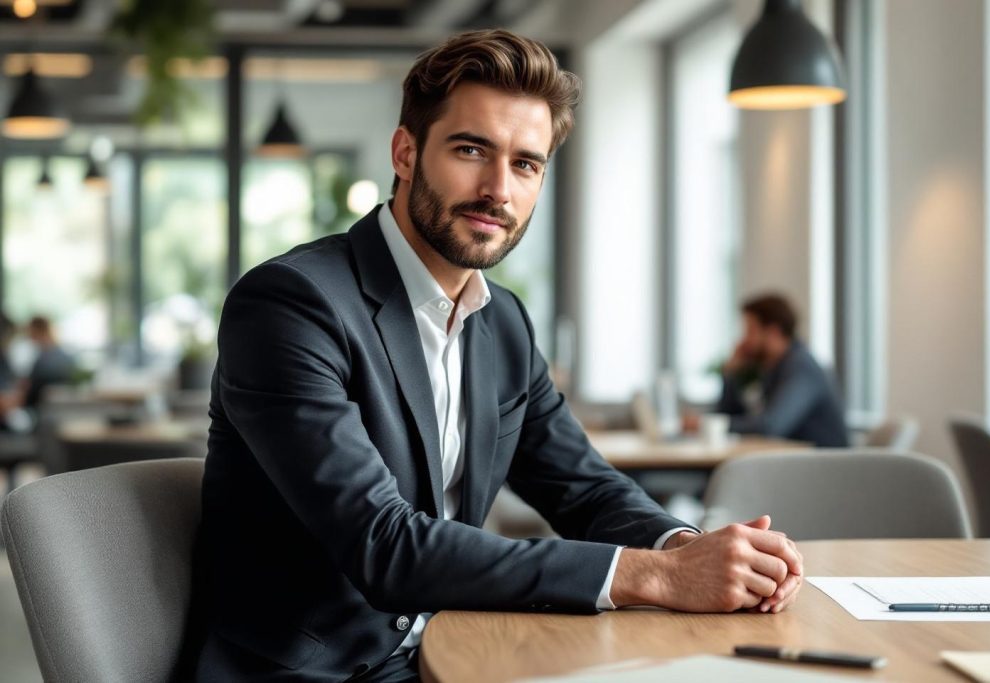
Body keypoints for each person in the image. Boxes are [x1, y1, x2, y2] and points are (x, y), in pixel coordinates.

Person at [194, 30, 803, 682]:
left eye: (525, 164)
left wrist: (687, 546)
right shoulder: (291, 303)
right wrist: (653, 573)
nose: (498, 189)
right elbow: (384, 546)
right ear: (405, 152)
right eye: (470, 149)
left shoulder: (502, 320)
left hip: (462, 648)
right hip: (316, 671)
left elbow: (585, 488)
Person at [696, 294, 848, 447]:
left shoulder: (802, 367)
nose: (744, 340)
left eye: (750, 331)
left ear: (773, 332)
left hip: (823, 466)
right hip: (793, 462)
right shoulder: (774, 368)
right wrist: (731, 375)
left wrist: (710, 424)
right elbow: (733, 414)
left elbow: (769, 426)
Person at [0, 315, 75, 428]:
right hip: (49, 412)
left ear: (36, 330)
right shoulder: (62, 356)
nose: (28, 336)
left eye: (29, 332)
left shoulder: (45, 360)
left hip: (38, 413)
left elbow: (27, 392)